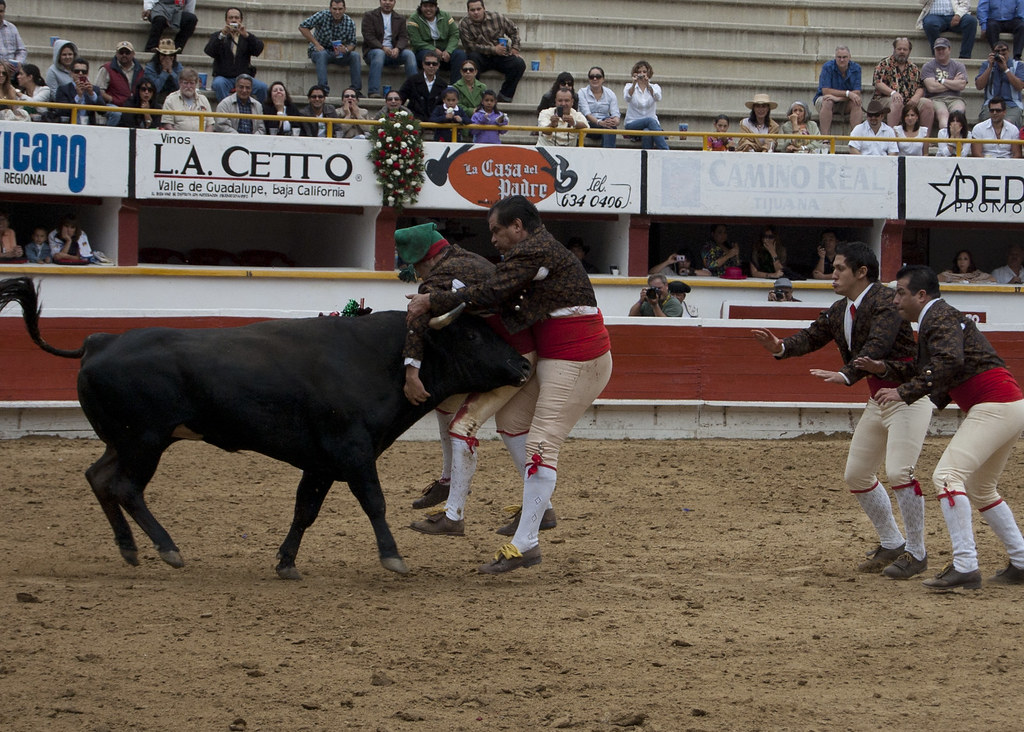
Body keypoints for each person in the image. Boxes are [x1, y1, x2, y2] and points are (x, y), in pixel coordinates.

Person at [406, 195, 612, 574]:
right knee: (512, 422)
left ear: (518, 227)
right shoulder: (533, 252)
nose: (493, 239)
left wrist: (433, 299)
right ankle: (542, 511)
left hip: (578, 356)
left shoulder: (534, 251)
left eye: (496, 230)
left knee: (541, 444)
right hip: (555, 356)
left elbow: (491, 292)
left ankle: (526, 543)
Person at [753, 242, 933, 580]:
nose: (832, 274)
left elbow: (877, 346)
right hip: (879, 400)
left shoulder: (887, 301)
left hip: (908, 398)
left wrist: (847, 374)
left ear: (861, 272)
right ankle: (892, 542)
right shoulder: (841, 309)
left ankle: (917, 552)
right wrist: (780, 347)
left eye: (839, 269)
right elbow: (812, 336)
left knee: (899, 473)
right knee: (857, 475)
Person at [859, 264, 1024, 589]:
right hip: (1007, 404)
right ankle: (1021, 561)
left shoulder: (938, 316)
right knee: (981, 488)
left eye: (901, 293)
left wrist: (903, 392)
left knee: (947, 476)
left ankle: (965, 564)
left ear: (921, 295)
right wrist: (885, 370)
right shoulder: (938, 317)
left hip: (994, 404)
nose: (896, 301)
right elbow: (932, 367)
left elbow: (949, 362)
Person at [397, 223, 542, 538]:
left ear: (428, 259)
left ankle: (454, 516)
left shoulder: (438, 278)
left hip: (511, 360)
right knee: (447, 405)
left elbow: (417, 321)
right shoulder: (465, 259)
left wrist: (411, 373)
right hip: (504, 351)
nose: (418, 274)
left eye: (417, 266)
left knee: (462, 428)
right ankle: (449, 481)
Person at [459, 0, 525, 103]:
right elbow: (470, 46)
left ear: (484, 9)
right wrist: (493, 49)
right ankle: (475, 95)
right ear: (468, 11)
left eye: (478, 9)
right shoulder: (464, 24)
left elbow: (514, 30)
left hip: (501, 56)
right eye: (472, 10)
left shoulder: (497, 18)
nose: (476, 12)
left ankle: (505, 96)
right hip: (480, 57)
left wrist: (515, 48)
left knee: (519, 64)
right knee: (472, 58)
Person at [299, 0, 362, 97]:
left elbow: (352, 43)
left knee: (355, 56)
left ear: (344, 9)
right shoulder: (322, 15)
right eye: (334, 9)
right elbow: (303, 27)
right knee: (322, 54)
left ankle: (356, 90)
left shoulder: (349, 22)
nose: (337, 12)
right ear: (330, 9)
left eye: (340, 9)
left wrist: (345, 49)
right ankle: (323, 90)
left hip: (338, 53)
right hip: (320, 51)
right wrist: (316, 44)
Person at [205, 7, 268, 104]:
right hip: (224, 78)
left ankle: (261, 111)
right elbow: (209, 51)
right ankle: (227, 109)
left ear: (241, 20)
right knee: (218, 84)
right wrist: (222, 35)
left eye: (236, 18)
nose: (234, 20)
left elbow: (258, 50)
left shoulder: (247, 36)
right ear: (226, 20)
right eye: (230, 18)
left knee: (262, 87)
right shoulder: (218, 36)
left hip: (244, 78)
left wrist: (246, 35)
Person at [872, 37, 933, 130]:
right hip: (886, 100)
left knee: (927, 103)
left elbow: (920, 87)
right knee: (897, 101)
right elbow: (878, 83)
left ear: (909, 51)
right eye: (899, 49)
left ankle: (925, 137)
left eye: (905, 49)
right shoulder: (884, 64)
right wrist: (893, 93)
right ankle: (892, 136)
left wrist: (915, 98)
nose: (902, 51)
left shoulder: (913, 68)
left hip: (909, 101)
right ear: (894, 49)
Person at [362, 0, 417, 99]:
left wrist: (398, 48)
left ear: (394, 2)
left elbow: (404, 37)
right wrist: (382, 47)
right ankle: (373, 91)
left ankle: (415, 91)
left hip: (393, 53)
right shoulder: (369, 16)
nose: (387, 3)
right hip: (374, 53)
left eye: (390, 0)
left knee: (409, 55)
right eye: (384, 0)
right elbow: (368, 36)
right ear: (380, 1)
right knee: (379, 53)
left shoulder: (400, 18)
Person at [407, 0, 466, 84]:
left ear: (436, 7)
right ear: (421, 7)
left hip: (445, 53)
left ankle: (456, 87)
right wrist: (434, 50)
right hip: (424, 53)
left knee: (460, 55)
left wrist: (448, 51)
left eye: (431, 6)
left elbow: (454, 34)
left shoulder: (445, 16)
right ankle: (434, 86)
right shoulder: (414, 19)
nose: (428, 9)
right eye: (425, 6)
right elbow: (416, 41)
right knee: (430, 57)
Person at [814, 45, 864, 135]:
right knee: (827, 101)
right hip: (825, 99)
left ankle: (855, 138)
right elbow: (825, 91)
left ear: (849, 57)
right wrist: (848, 93)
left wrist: (839, 98)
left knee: (857, 102)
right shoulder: (827, 67)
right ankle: (825, 138)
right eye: (839, 57)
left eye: (844, 57)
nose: (842, 60)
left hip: (844, 101)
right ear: (835, 57)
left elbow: (856, 92)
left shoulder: (856, 68)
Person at [921, 37, 969, 131]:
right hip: (935, 99)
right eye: (938, 49)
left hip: (955, 98)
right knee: (943, 114)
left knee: (958, 113)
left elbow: (961, 85)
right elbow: (932, 87)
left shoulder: (959, 66)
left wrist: (942, 81)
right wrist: (953, 82)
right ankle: (945, 138)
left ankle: (956, 137)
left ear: (949, 49)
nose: (940, 51)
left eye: (943, 49)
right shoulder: (928, 66)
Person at [93, 41, 144, 126]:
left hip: (133, 106)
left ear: (133, 54)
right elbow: (98, 90)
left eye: (127, 52)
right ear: (116, 53)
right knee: (116, 114)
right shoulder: (107, 68)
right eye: (121, 52)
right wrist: (112, 99)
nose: (124, 55)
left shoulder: (140, 70)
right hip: (113, 105)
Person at [975, 41, 1024, 125]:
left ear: (1008, 51)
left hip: (1012, 104)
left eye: (1003, 50)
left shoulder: (1018, 65)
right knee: (987, 124)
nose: (1001, 53)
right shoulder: (986, 65)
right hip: (991, 104)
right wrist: (990, 67)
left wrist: (1006, 69)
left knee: (1008, 124)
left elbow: (1020, 86)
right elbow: (979, 86)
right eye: (997, 51)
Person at [623, 59, 668, 150]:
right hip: (632, 123)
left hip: (650, 126)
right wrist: (634, 83)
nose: (642, 74)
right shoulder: (629, 86)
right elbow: (627, 98)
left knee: (647, 132)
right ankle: (665, 150)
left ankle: (646, 156)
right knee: (650, 120)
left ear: (648, 73)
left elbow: (658, 98)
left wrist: (648, 85)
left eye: (644, 72)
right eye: (639, 72)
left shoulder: (655, 87)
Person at [398, 49, 446, 121]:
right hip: (415, 122)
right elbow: (400, 99)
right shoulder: (412, 81)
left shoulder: (443, 84)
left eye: (434, 64)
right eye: (428, 63)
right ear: (423, 64)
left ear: (438, 66)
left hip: (435, 123)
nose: (431, 66)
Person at [160, 66, 212, 131]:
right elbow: (167, 125)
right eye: (185, 83)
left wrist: (204, 136)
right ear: (180, 83)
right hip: (178, 137)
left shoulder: (203, 99)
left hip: (201, 136)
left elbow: (210, 125)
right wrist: (179, 136)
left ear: (196, 84)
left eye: (191, 83)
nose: (188, 86)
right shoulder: (170, 100)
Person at [50, 57, 100, 124]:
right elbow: (62, 112)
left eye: (84, 72)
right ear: (71, 73)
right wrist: (78, 97)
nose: (80, 73)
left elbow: (103, 111)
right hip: (69, 126)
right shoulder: (63, 89)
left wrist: (92, 95)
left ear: (87, 74)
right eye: (77, 71)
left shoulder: (94, 89)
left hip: (89, 127)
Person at [579, 66, 619, 148]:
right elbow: (587, 114)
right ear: (589, 79)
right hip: (588, 125)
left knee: (610, 125)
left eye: (598, 76)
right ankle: (609, 153)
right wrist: (599, 122)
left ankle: (608, 152)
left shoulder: (610, 93)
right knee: (608, 126)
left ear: (603, 79)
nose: (595, 79)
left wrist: (614, 121)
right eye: (592, 77)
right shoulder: (582, 92)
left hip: (605, 125)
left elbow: (615, 114)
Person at [143, 38, 182, 107]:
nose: (167, 58)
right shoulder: (150, 68)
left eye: (171, 55)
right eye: (164, 55)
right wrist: (164, 72)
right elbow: (153, 89)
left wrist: (171, 72)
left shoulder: (178, 67)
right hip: (155, 101)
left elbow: (181, 86)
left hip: (175, 101)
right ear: (158, 55)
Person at [0, 1, 27, 68]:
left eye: (1, 11)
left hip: (14, 69)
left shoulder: (11, 27)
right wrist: (2, 64)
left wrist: (18, 62)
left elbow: (22, 50)